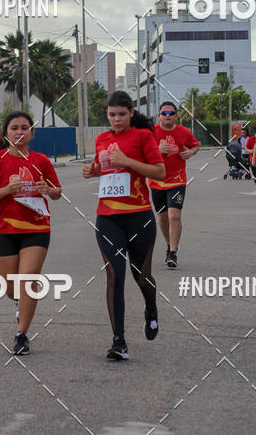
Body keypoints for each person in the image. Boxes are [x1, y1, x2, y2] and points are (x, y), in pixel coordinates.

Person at [83, 91, 165, 361]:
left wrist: (127, 162)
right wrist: (93, 170)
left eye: (121, 114)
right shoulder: (102, 139)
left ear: (131, 113)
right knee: (115, 275)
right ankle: (119, 341)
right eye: (111, 114)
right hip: (108, 217)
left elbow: (159, 172)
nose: (116, 119)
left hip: (139, 216)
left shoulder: (143, 137)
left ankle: (151, 308)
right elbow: (104, 168)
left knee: (141, 276)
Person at [0, 111, 62, 356]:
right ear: (6, 132)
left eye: (25, 127)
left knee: (28, 279)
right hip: (4, 230)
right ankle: (18, 303)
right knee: (12, 287)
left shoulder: (41, 161)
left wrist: (48, 189)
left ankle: (21, 335)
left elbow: (57, 192)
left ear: (31, 133)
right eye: (14, 128)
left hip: (37, 228)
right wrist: (6, 189)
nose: (19, 132)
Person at [149, 101, 200, 267]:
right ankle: (169, 245)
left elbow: (195, 145)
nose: (168, 116)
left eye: (171, 113)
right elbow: (142, 153)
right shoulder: (151, 132)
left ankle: (173, 253)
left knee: (174, 215)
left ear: (176, 116)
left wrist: (190, 153)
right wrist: (158, 150)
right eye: (164, 113)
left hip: (177, 180)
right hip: (157, 181)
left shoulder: (184, 132)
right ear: (159, 116)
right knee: (163, 218)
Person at [245, 128, 256, 197]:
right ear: (254, 134)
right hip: (253, 160)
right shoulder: (251, 139)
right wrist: (252, 151)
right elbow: (246, 149)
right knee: (255, 176)